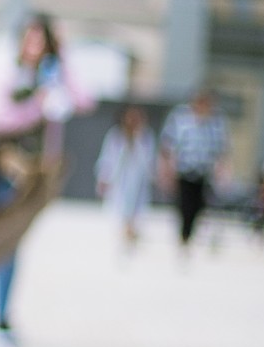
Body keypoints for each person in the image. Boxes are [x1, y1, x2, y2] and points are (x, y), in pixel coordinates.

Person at [0, 12, 93, 347]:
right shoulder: (5, 70)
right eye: (31, 37)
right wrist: (37, 108)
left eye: (44, 39)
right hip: (7, 169)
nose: (36, 46)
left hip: (37, 177)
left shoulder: (52, 74)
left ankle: (1, 316)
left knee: (15, 244)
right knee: (5, 243)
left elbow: (84, 99)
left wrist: (65, 58)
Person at [159, 87, 232, 256]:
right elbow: (167, 144)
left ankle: (189, 234)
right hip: (184, 169)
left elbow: (222, 148)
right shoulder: (181, 118)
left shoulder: (216, 121)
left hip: (203, 171)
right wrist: (166, 169)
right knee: (184, 204)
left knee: (199, 205)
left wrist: (223, 171)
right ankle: (184, 236)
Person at [96, 105, 155, 249]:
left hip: (138, 179)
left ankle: (132, 230)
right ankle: (124, 232)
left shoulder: (146, 136)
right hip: (119, 179)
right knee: (119, 207)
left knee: (137, 206)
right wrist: (104, 177)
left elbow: (149, 160)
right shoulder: (115, 136)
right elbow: (108, 158)